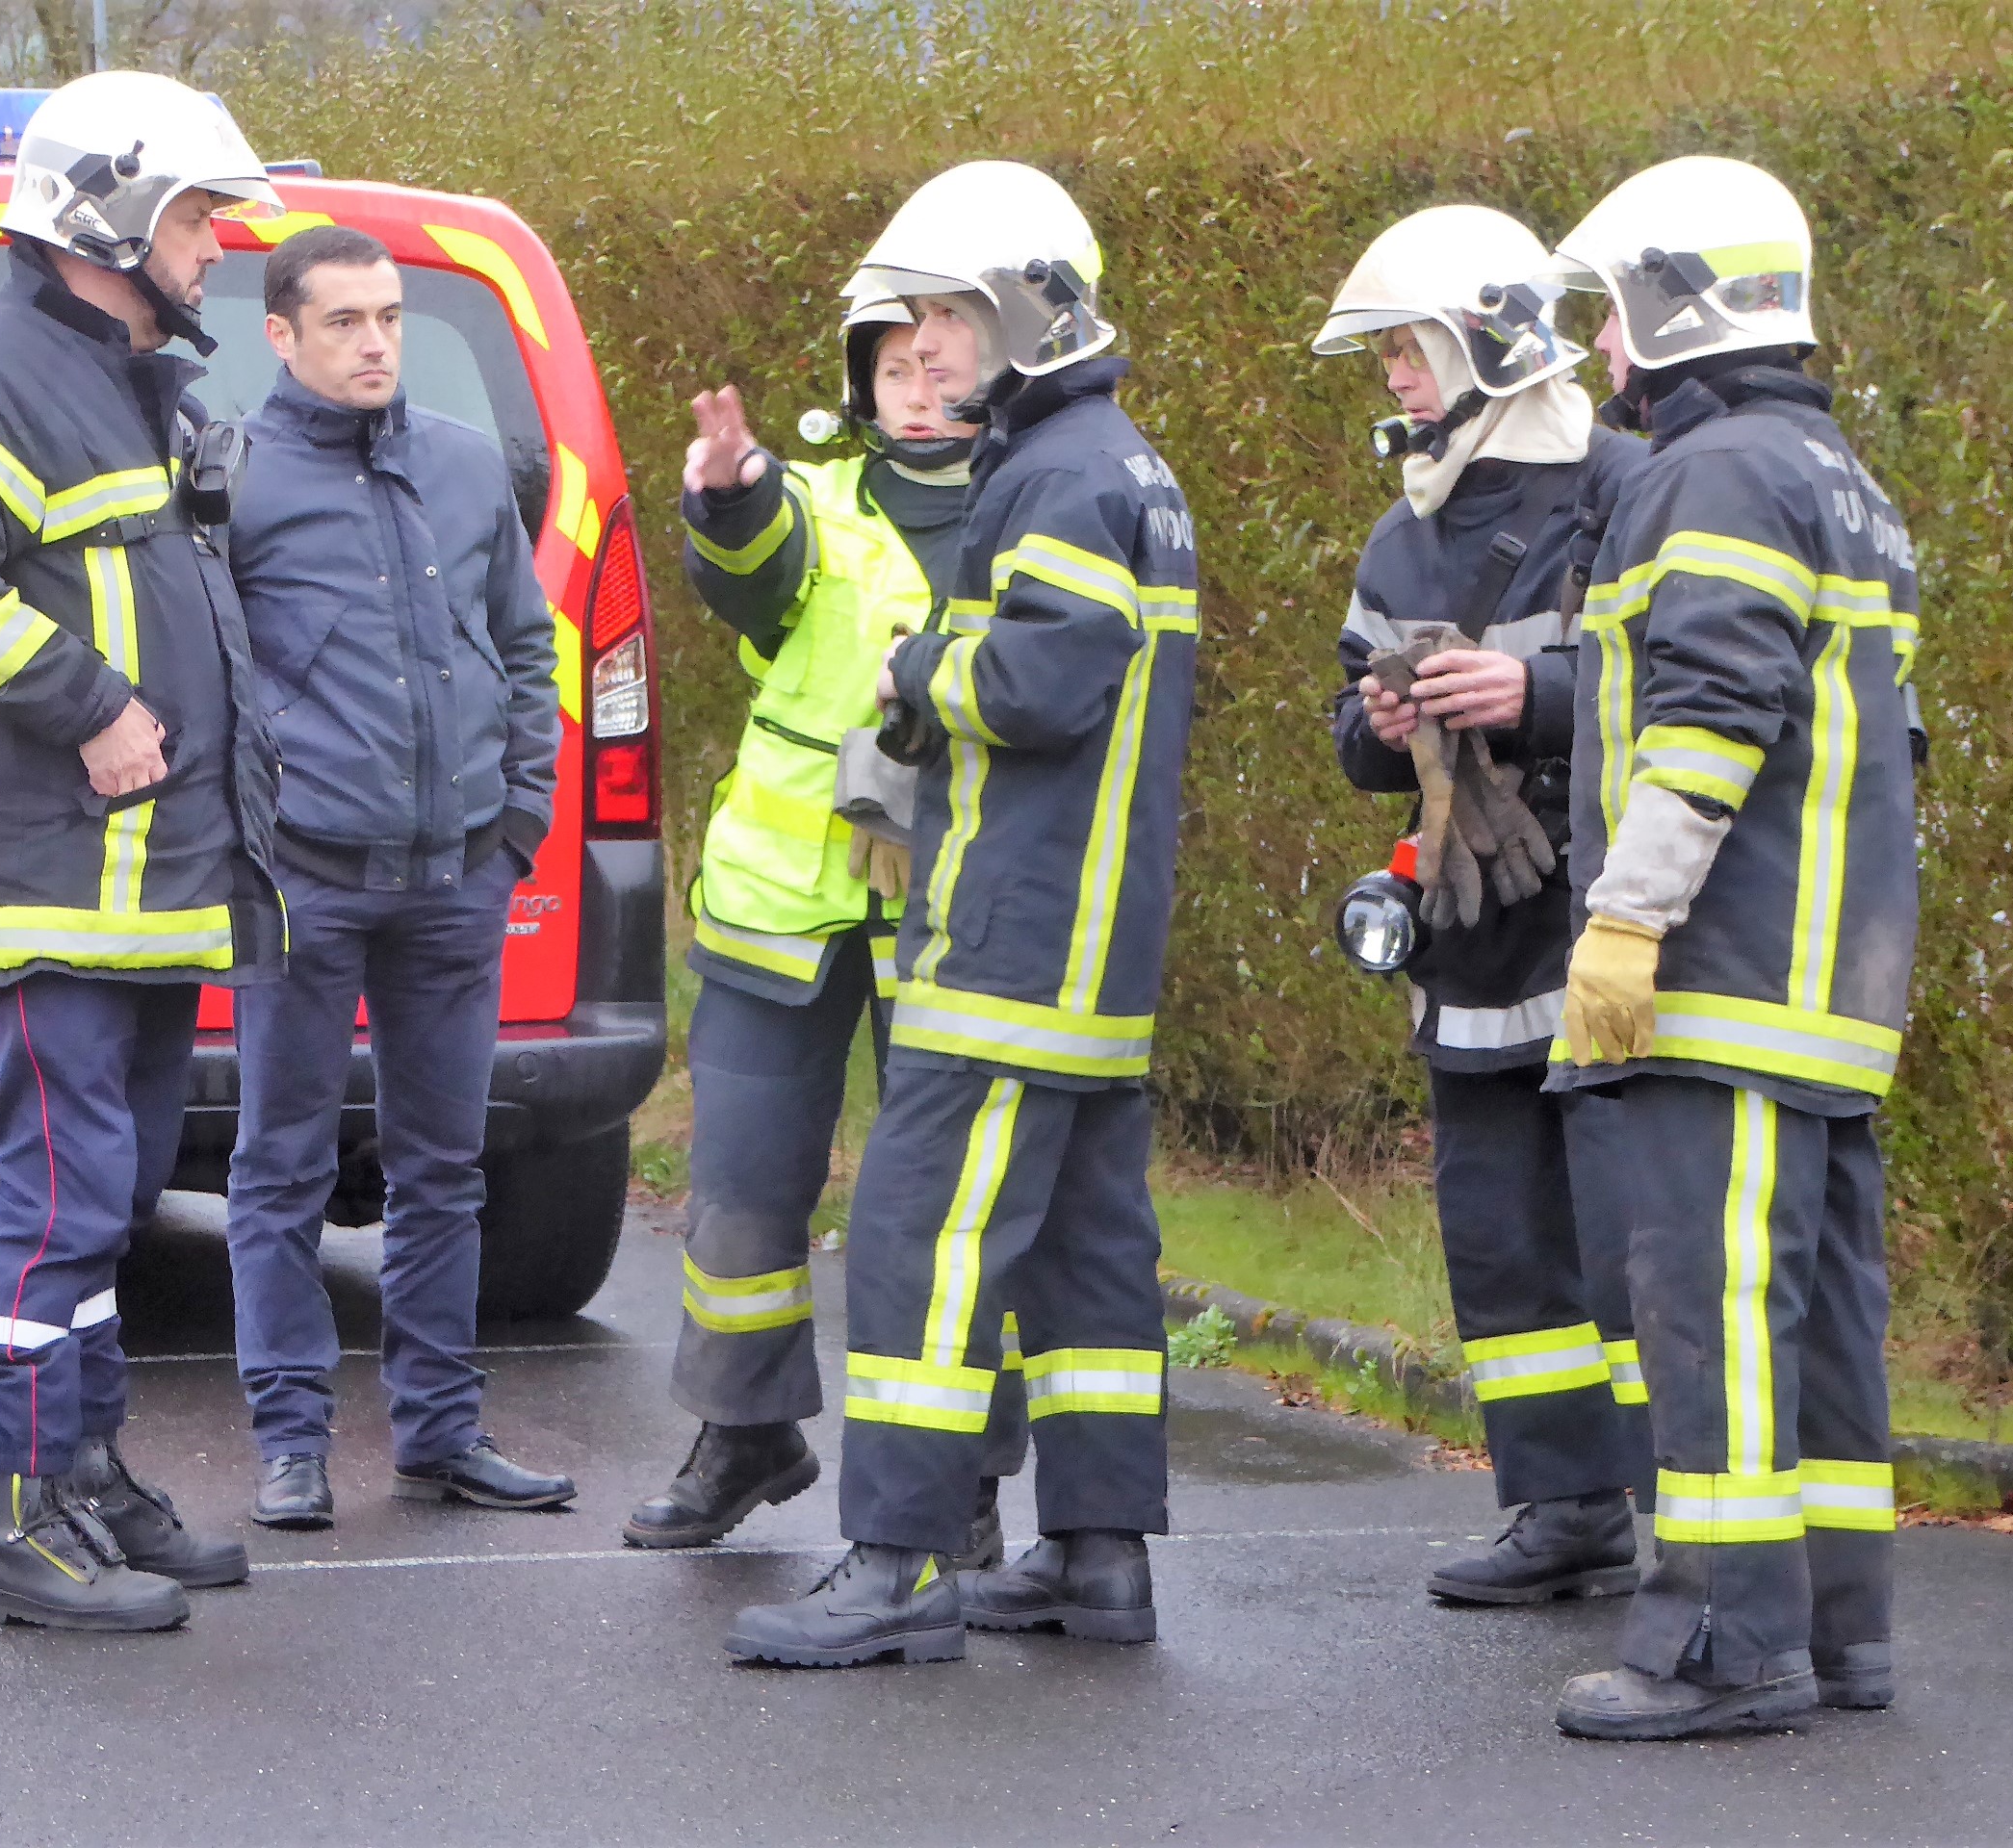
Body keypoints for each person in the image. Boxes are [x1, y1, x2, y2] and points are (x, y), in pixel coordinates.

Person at [725, 161, 1200, 1667]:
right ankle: (1099, 1560)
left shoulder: (1056, 476)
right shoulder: (1126, 467)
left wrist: (920, 671)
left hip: (1009, 936)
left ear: (1027, 314)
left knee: (918, 1241)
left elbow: (1045, 679)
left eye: (947, 317)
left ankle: (900, 1564)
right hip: (1095, 949)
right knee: (1084, 1259)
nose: (925, 351)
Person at [0, 70, 286, 1631]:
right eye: (195, 217)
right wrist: (93, 704)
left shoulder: (131, 380)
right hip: (62, 877)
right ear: (103, 216)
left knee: (107, 1203)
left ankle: (84, 1474)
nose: (215, 248)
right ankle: (10, 1521)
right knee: (55, 1202)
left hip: (154, 881)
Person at [1544, 156, 1921, 1740]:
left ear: (1679, 307)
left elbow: (1710, 714)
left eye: (1614, 312)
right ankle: (1840, 1633)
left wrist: (1627, 919)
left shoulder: (1718, 478)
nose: (1602, 347)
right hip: (1830, 993)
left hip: (1730, 974)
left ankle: (1722, 1644)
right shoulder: (1839, 479)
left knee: (1710, 1317)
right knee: (1818, 1327)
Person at [624, 295, 1032, 1559]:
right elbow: (753, 575)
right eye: (893, 368)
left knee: (947, 1213)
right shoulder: (812, 496)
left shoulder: (1035, 503)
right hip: (780, 906)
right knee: (741, 1190)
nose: (918, 387)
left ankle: (960, 1476)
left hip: (952, 906)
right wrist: (730, 491)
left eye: (937, 365)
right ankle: (744, 1431)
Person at [1313, 205, 1654, 1604]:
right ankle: (1562, 1509)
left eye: (1412, 348)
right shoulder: (1402, 537)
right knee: (1501, 1236)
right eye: (1390, 353)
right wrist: (1382, 723)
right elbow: (1346, 736)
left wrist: (1534, 693)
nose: (1396, 376)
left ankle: (1695, 1520)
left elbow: (1685, 681)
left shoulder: (1625, 487)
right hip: (1469, 937)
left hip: (1607, 924)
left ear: (1493, 346)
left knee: (1630, 1239)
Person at [221, 224, 573, 1526]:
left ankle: (440, 1431)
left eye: (388, 318)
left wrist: (517, 819)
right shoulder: (234, 480)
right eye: (343, 321)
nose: (374, 343)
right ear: (280, 335)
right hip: (305, 881)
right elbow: (207, 680)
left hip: (456, 877)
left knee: (444, 1170)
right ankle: (291, 1441)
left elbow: (525, 649)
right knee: (281, 1170)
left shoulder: (469, 467)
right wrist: (252, 842)